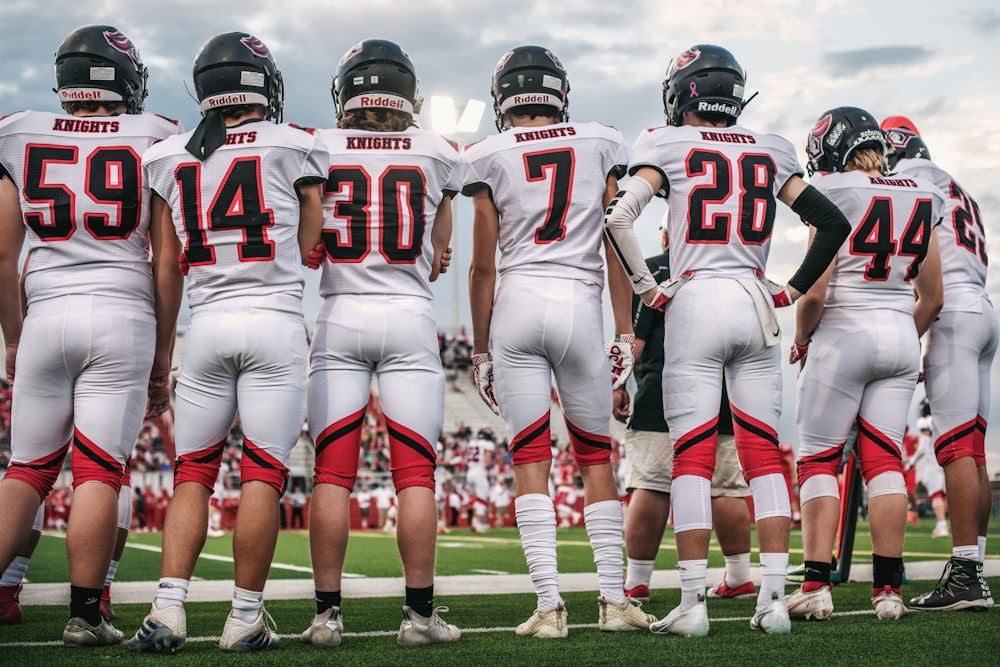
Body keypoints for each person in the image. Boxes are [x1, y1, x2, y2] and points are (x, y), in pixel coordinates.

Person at [602, 44, 851, 636]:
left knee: (690, 458)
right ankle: (770, 600)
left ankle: (692, 603)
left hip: (695, 299)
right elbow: (834, 222)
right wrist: (789, 290)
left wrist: (648, 288)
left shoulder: (665, 144)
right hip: (754, 300)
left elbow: (616, 218)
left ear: (681, 92)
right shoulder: (771, 148)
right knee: (763, 454)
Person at [125, 31, 327, 654]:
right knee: (263, 474)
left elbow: (165, 265)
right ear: (262, 84)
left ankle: (167, 609)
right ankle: (243, 617)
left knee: (192, 474)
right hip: (273, 321)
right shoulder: (296, 143)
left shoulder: (168, 156)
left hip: (207, 324)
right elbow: (313, 236)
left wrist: (164, 354)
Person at [0, 24, 181, 646]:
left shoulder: (21, 131)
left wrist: (14, 337)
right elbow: (164, 259)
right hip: (121, 312)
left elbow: (3, 256)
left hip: (46, 310)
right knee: (101, 471)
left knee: (25, 471)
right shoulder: (157, 134)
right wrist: (163, 352)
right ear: (127, 80)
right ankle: (87, 613)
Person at [466, 44, 654, 638]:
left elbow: (481, 269)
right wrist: (626, 330)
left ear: (504, 99)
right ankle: (613, 600)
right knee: (596, 458)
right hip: (579, 302)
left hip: (518, 303)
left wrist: (479, 349)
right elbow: (616, 244)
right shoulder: (599, 140)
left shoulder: (489, 152)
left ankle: (548, 607)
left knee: (530, 460)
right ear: (558, 93)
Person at [301, 39, 460, 649]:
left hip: (340, 311)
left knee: (332, 477)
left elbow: (306, 230)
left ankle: (325, 618)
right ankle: (419, 617)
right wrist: (433, 251)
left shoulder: (317, 143)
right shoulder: (437, 149)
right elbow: (443, 236)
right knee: (416, 475)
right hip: (408, 314)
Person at [786, 106, 944, 622]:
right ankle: (888, 591)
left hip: (842, 334)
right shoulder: (922, 195)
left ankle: (815, 583)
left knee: (817, 460)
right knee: (884, 464)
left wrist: (802, 336)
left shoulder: (832, 190)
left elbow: (815, 291)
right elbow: (932, 296)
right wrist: (899, 338)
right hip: (899, 331)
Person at [883, 115, 996, 611]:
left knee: (953, 451)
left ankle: (967, 577)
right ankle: (977, 567)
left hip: (951, 313)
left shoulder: (914, 181)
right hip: (984, 310)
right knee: (973, 451)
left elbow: (917, 266)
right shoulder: (955, 183)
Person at [613, 224, 756, 607]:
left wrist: (617, 382)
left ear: (667, 237)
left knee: (652, 483)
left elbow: (636, 341)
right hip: (724, 392)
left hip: (664, 390)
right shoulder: (734, 275)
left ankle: (638, 580)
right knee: (726, 486)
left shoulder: (657, 270)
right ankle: (740, 576)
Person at [464, 428, 497, 533]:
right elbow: (487, 463)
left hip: (470, 473)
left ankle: (474, 522)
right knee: (482, 499)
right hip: (479, 473)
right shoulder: (487, 444)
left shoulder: (472, 443)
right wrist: (495, 461)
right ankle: (477, 524)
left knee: (477, 499)